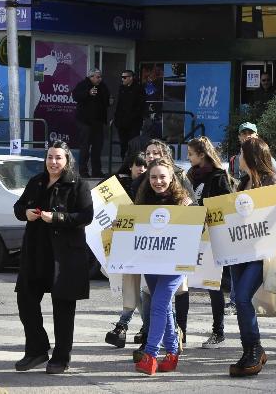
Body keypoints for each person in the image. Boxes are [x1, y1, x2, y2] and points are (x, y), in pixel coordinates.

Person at [12, 141, 93, 374]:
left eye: (58, 158)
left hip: (64, 256)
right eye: (50, 157)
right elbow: (19, 207)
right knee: (26, 300)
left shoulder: (78, 184)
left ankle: (61, 357)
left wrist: (56, 218)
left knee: (63, 308)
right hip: (36, 252)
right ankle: (36, 349)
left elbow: (86, 216)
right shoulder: (37, 181)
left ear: (67, 160)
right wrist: (25, 213)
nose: (53, 162)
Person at [229, 136, 276, 377]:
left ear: (250, 156)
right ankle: (250, 349)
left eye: (241, 153)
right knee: (239, 300)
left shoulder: (272, 181)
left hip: (260, 253)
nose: (238, 157)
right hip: (240, 251)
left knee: (242, 298)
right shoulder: (242, 183)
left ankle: (254, 347)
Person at [133, 158, 193, 375]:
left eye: (162, 177)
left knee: (158, 303)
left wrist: (190, 212)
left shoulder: (184, 201)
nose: (158, 181)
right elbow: (134, 227)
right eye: (153, 177)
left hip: (175, 263)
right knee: (164, 307)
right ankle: (173, 353)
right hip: (150, 260)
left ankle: (150, 355)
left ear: (172, 178)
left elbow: (198, 230)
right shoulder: (143, 200)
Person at [185, 136, 234, 349]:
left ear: (202, 155)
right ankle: (180, 331)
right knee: (182, 285)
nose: (188, 159)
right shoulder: (189, 176)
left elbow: (226, 204)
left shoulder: (218, 176)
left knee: (213, 285)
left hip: (211, 236)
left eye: (191, 155)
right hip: (190, 235)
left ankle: (218, 331)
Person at [104, 152, 147, 349]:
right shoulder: (119, 187)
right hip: (127, 245)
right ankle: (135, 326)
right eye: (139, 165)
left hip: (147, 245)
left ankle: (125, 325)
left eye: (145, 166)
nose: (142, 169)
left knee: (146, 289)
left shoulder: (151, 188)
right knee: (133, 286)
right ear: (130, 166)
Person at [72, 68, 110, 178]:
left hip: (98, 122)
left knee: (97, 148)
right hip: (85, 122)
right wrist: (88, 93)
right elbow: (76, 96)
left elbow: (106, 99)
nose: (99, 79)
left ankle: (96, 171)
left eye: (100, 77)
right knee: (85, 147)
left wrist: (109, 100)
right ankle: (83, 171)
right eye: (97, 77)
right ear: (91, 77)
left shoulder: (103, 86)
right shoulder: (83, 85)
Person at [114, 70, 146, 160]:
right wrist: (116, 118)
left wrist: (135, 117)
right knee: (123, 144)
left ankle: (133, 163)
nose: (122, 79)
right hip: (122, 122)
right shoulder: (122, 88)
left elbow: (140, 106)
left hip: (133, 123)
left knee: (133, 144)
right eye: (121, 77)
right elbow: (119, 105)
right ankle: (124, 162)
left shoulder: (139, 89)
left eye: (124, 77)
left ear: (131, 78)